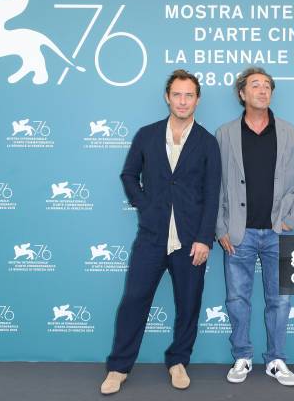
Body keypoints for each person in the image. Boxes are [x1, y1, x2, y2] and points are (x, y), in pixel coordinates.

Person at [101, 70, 221, 394]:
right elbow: (128, 175)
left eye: (189, 95)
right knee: (133, 301)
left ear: (197, 99)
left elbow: (213, 195)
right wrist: (146, 205)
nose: (183, 101)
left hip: (190, 241)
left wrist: (204, 238)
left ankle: (178, 360)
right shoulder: (147, 135)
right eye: (177, 95)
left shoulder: (208, 142)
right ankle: (118, 367)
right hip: (151, 237)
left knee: (189, 304)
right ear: (167, 97)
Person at [216, 66, 294, 386]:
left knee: (280, 300)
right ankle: (242, 356)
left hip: (277, 233)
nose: (263, 90)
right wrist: (220, 227)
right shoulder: (225, 133)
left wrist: (291, 219)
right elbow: (217, 184)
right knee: (237, 299)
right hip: (238, 233)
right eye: (255, 85)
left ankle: (276, 360)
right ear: (242, 94)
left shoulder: (289, 131)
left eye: (267, 86)